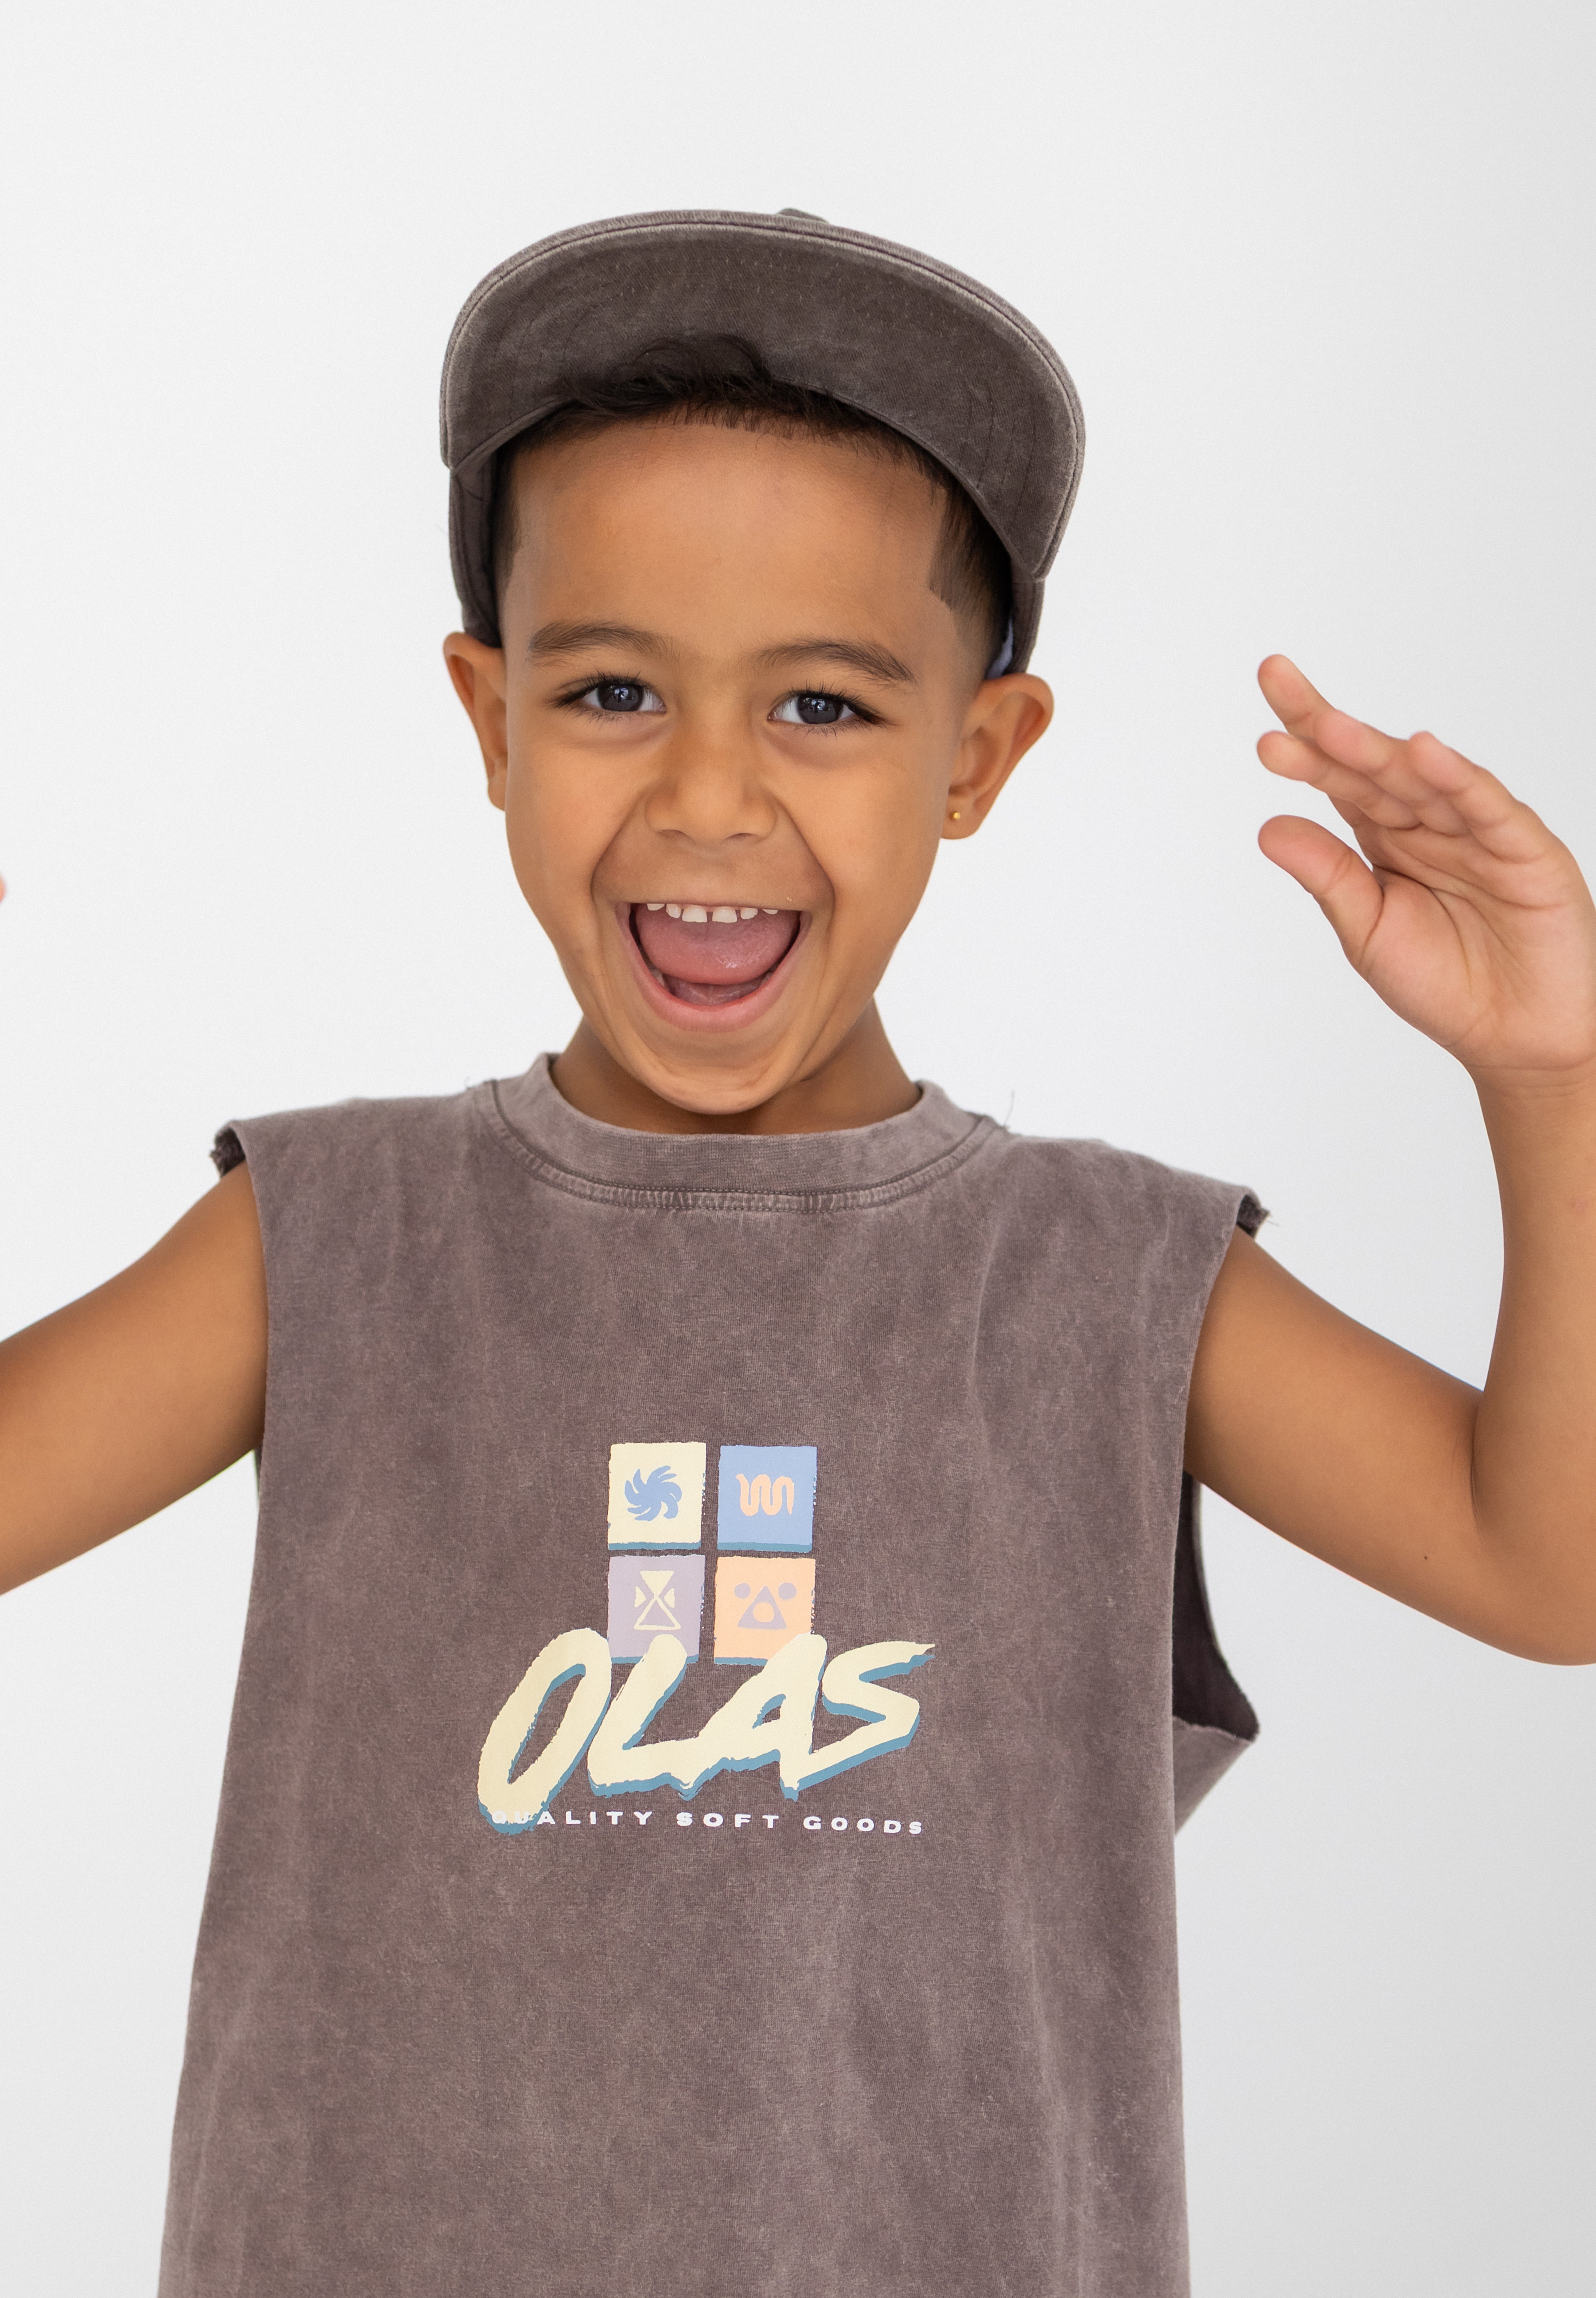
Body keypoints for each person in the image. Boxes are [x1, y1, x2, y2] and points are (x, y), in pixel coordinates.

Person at [3, 208, 1594, 2298]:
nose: (710, 798)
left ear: (979, 755)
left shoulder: (1105, 1278)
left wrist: (1556, 1079)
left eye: (825, 706)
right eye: (611, 689)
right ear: (491, 721)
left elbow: (1550, 1569)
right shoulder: (331, 1239)